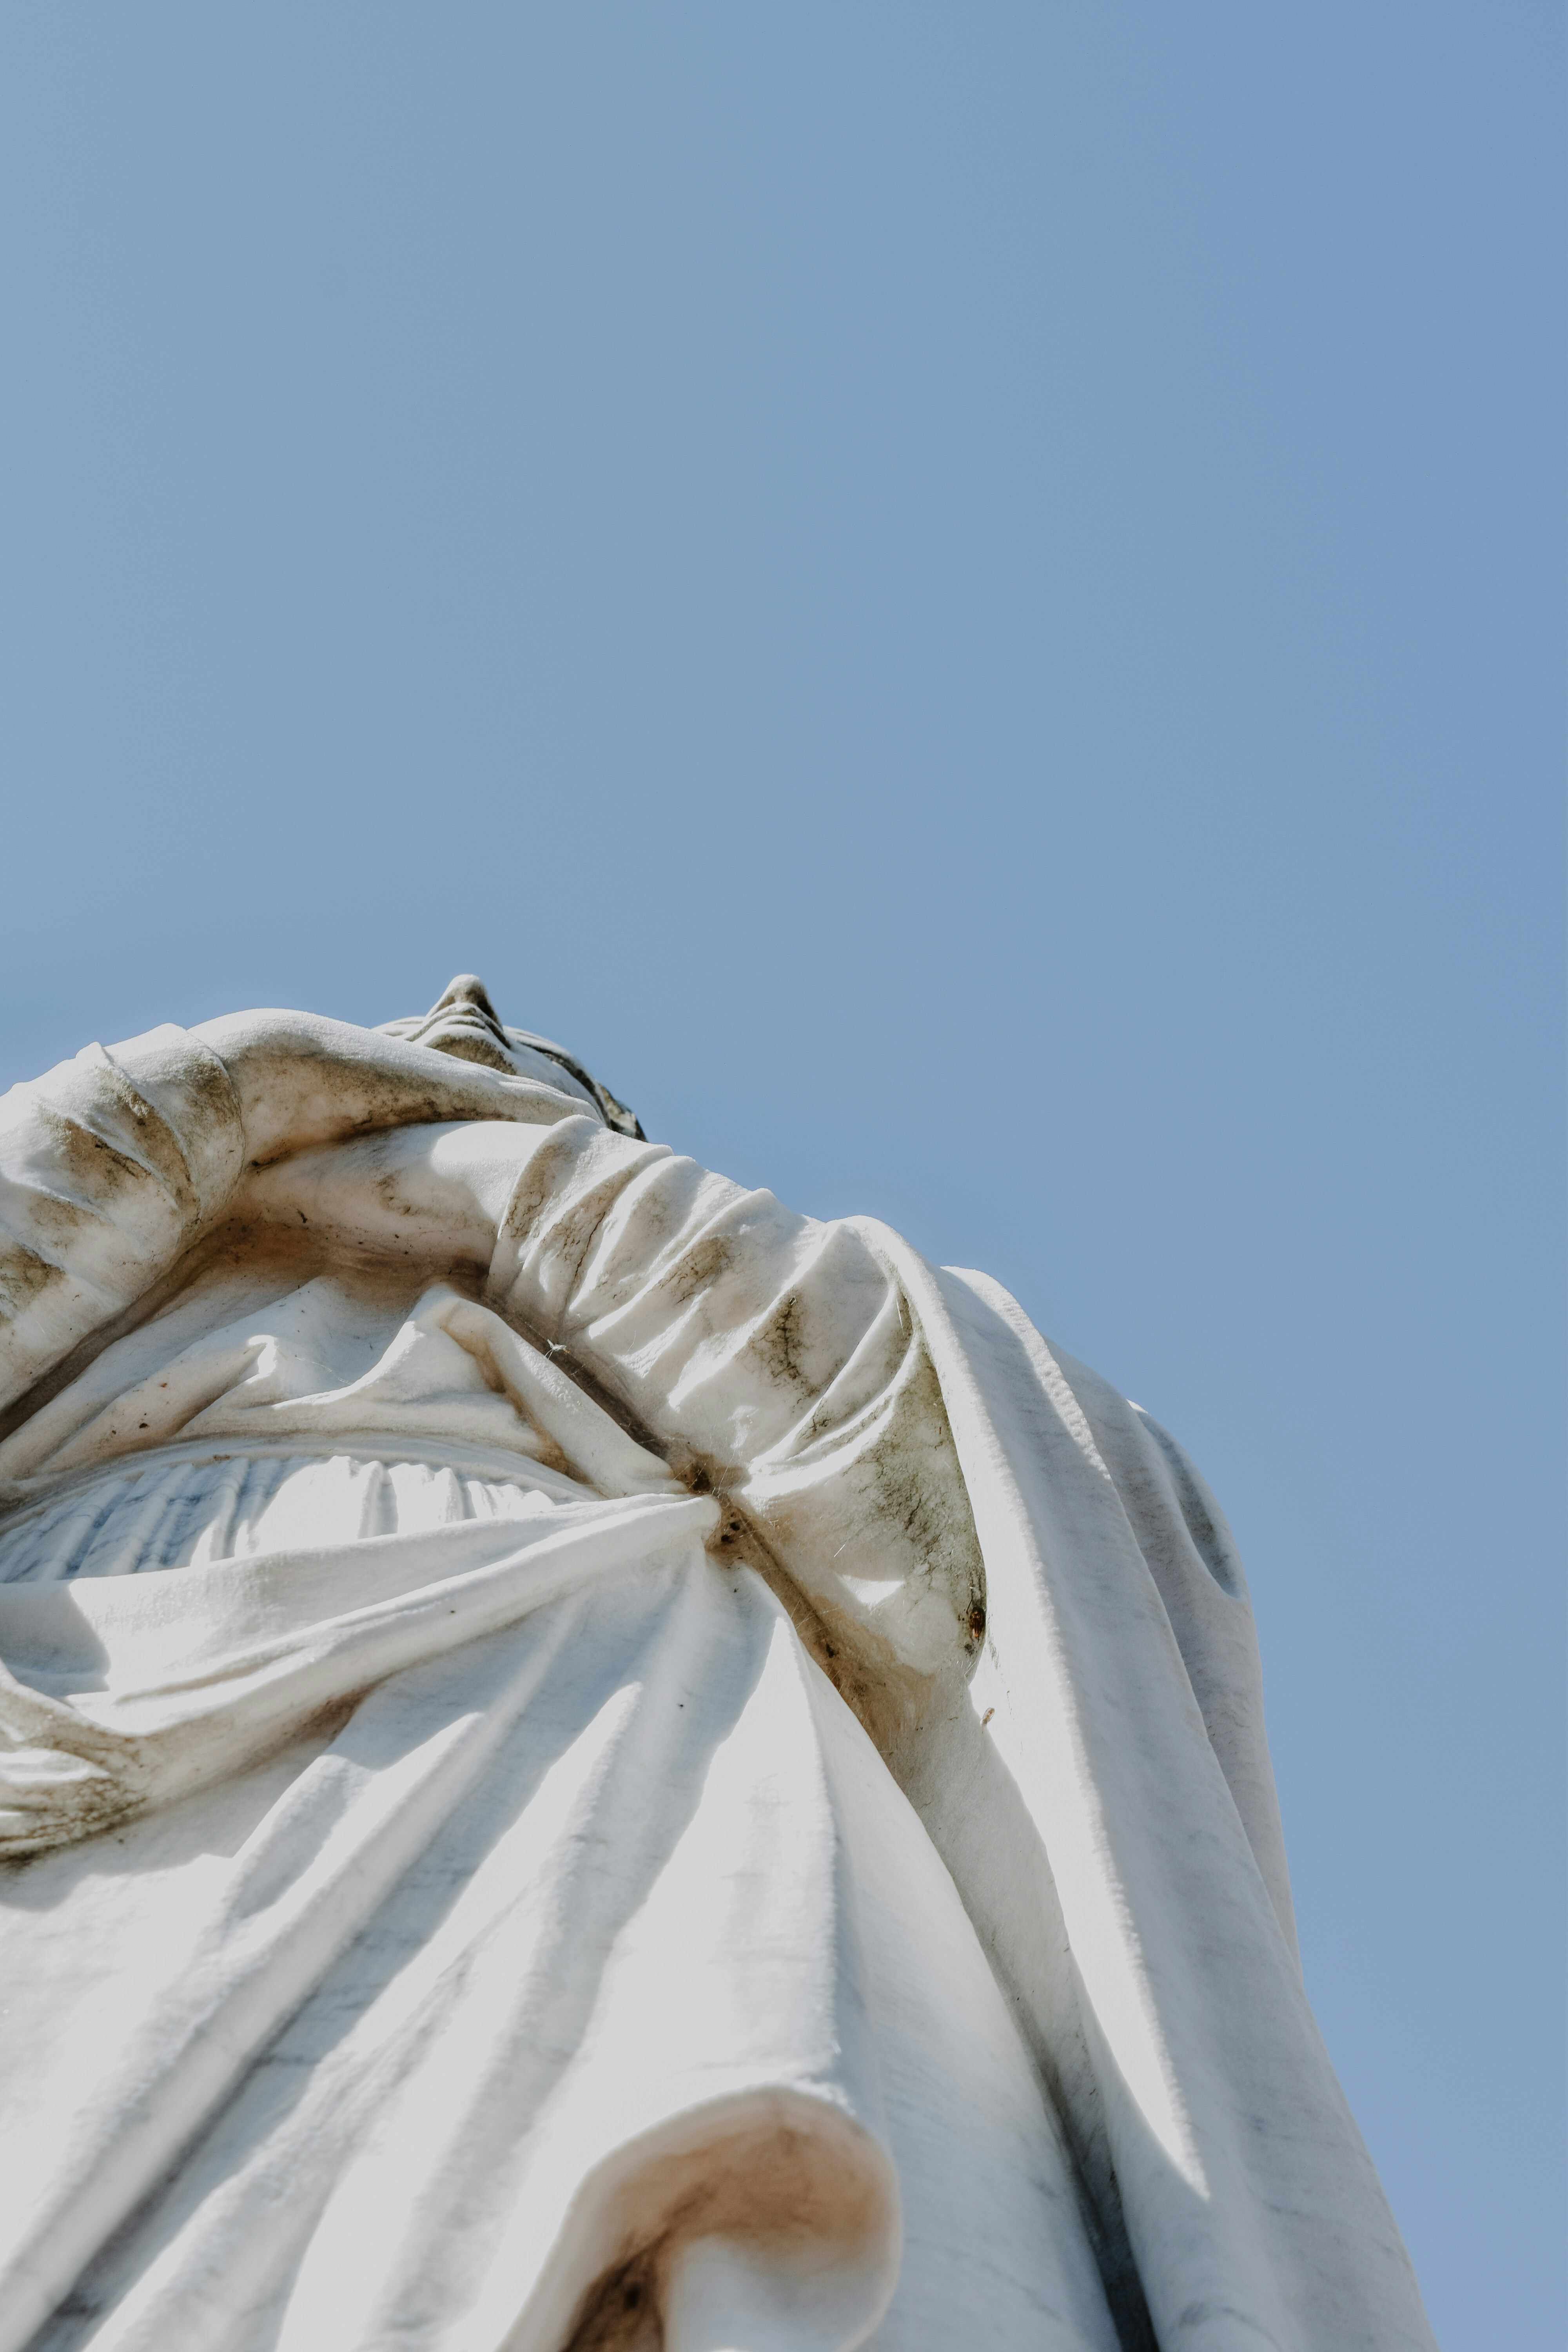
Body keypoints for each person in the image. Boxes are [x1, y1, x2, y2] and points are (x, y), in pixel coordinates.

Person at [0, 978, 1434, 2352]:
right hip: (73, 1631)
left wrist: (527, 1188)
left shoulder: (725, 1279)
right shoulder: (143, 1230)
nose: (466, 1006)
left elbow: (945, 1520)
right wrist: (184, 1104)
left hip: (618, 1692)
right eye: (404, 1058)